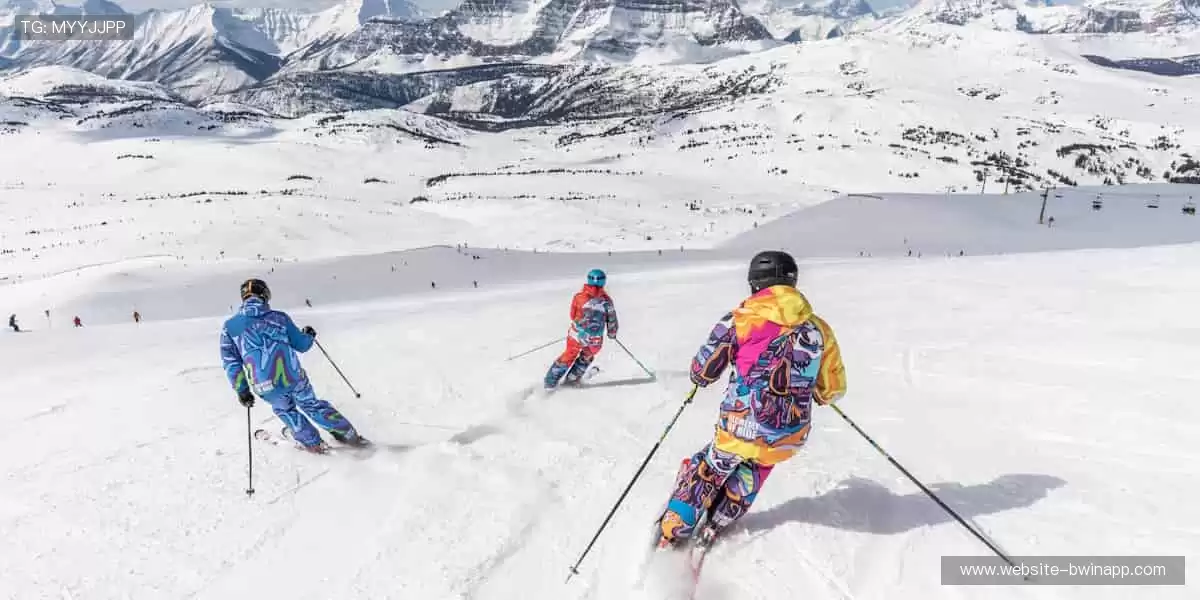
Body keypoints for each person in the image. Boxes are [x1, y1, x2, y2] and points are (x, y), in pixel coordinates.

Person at [655, 250, 847, 549]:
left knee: (711, 467)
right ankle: (718, 520)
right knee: (756, 468)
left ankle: (675, 526)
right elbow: (832, 388)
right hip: (789, 433)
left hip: (739, 424)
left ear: (756, 284)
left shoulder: (740, 320)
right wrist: (819, 392)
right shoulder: (819, 329)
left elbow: (704, 369)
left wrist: (699, 379)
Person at [219, 278, 367, 453]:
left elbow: (231, 362)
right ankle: (347, 434)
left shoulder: (230, 327)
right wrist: (309, 336)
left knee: (285, 410)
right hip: (293, 376)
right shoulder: (279, 318)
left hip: (264, 384)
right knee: (311, 404)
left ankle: (312, 442)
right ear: (265, 295)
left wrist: (242, 390)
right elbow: (301, 345)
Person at [543, 269, 619, 389]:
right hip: (595, 338)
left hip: (577, 333)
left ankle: (550, 381)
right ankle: (572, 379)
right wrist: (612, 332)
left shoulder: (579, 297)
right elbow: (612, 319)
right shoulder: (607, 301)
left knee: (569, 354)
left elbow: (572, 315)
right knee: (587, 355)